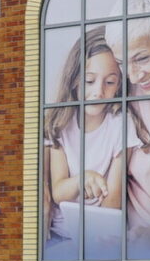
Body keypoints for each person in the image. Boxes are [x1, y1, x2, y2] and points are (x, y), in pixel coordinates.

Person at [44, 27, 138, 247]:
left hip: (99, 237)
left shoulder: (121, 125)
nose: (98, 92)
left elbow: (113, 201)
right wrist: (83, 178)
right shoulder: (59, 124)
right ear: (75, 80)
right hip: (59, 233)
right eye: (89, 81)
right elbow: (58, 192)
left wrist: (95, 241)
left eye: (110, 82)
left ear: (119, 86)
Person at [106, 0, 150, 258]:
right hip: (128, 245)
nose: (132, 75)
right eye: (121, 63)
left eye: (142, 58)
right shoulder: (119, 95)